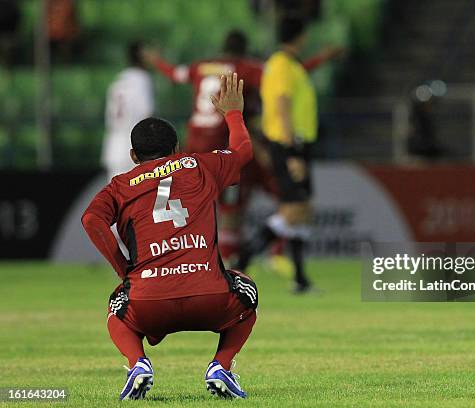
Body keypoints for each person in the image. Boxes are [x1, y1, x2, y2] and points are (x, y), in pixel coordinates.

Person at [82, 72, 257, 400]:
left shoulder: (120, 185)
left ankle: (138, 364)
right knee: (247, 290)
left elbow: (91, 219)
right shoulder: (199, 165)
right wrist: (233, 113)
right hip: (211, 297)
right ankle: (221, 366)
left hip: (149, 302)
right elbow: (243, 152)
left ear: (133, 156)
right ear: (177, 148)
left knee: (116, 305)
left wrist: (125, 272)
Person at [144, 30, 341, 261]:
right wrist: (321, 58)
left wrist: (155, 60)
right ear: (244, 50)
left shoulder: (202, 66)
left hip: (193, 143)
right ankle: (239, 260)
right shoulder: (245, 68)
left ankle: (175, 257)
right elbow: (286, 78)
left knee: (188, 202)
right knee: (233, 209)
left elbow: (174, 74)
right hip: (222, 144)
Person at [235, 17, 318, 293]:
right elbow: (282, 105)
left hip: (295, 143)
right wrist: (293, 151)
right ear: (300, 37)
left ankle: (300, 279)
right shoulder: (282, 65)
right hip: (289, 143)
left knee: (303, 210)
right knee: (294, 210)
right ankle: (242, 259)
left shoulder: (284, 64)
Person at [102, 41, 154, 179]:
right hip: (135, 149)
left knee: (117, 197)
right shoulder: (142, 79)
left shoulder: (118, 81)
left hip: (114, 147)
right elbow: (147, 115)